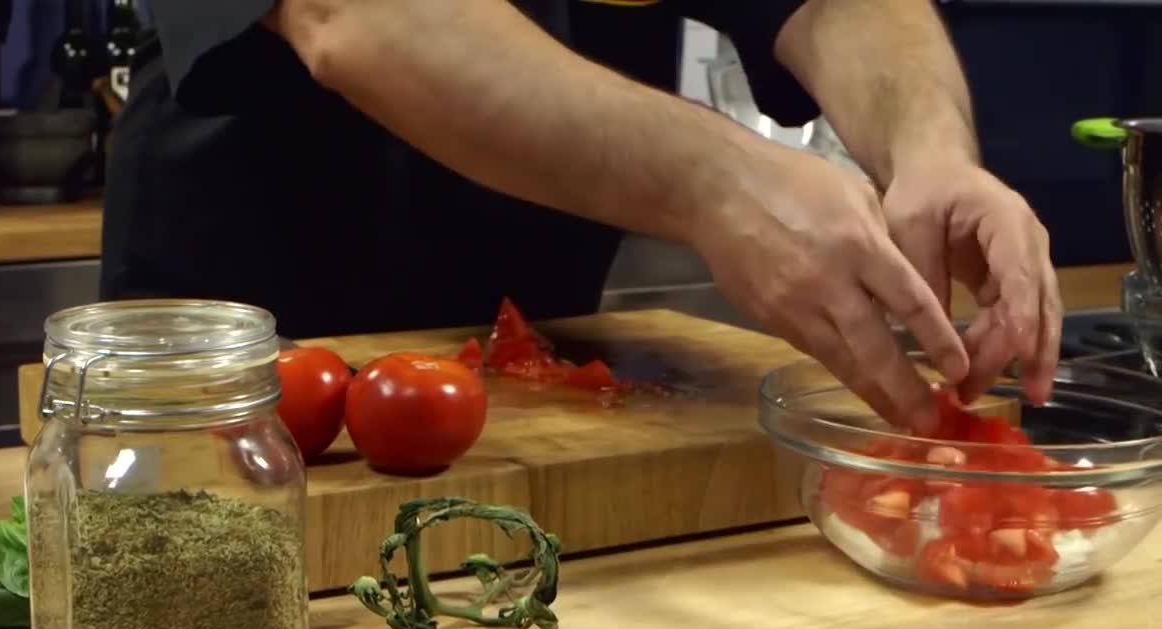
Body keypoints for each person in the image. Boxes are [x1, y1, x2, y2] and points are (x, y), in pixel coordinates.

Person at [100, 0, 1063, 435]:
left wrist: (931, 147)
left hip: (544, 362)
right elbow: (351, 12)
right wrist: (719, 181)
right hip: (247, 358)